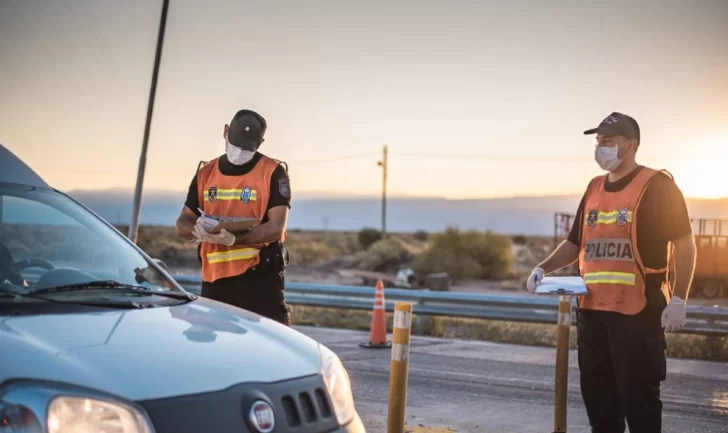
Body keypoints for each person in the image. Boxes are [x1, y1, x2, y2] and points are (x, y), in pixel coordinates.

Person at [525, 112, 697, 433]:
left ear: (630, 145)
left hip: (638, 313)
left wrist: (679, 299)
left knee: (639, 400)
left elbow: (686, 244)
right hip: (592, 314)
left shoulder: (658, 186)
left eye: (609, 140)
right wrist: (542, 268)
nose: (601, 147)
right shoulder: (593, 188)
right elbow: (575, 242)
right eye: (599, 141)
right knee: (599, 402)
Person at [175, 109, 292, 326]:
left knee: (270, 351)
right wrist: (197, 231)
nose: (239, 152)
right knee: (217, 355)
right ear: (225, 131)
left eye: (246, 148)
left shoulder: (273, 171)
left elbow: (277, 227)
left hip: (259, 279)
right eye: (235, 144)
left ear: (261, 142)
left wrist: (235, 240)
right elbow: (183, 222)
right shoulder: (206, 172)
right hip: (215, 282)